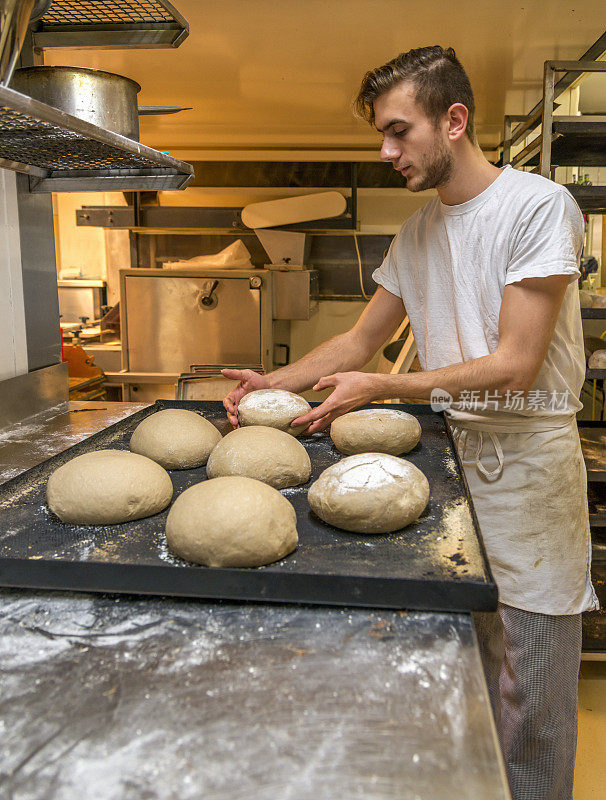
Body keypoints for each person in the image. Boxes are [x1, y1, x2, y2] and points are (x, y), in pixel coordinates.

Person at [223, 45, 599, 800]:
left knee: (534, 688)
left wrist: (386, 386)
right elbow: (359, 341)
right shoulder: (418, 233)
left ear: (453, 120)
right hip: (456, 459)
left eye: (399, 131)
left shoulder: (536, 206)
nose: (385, 151)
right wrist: (277, 379)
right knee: (468, 659)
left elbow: (515, 364)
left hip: (528, 471)